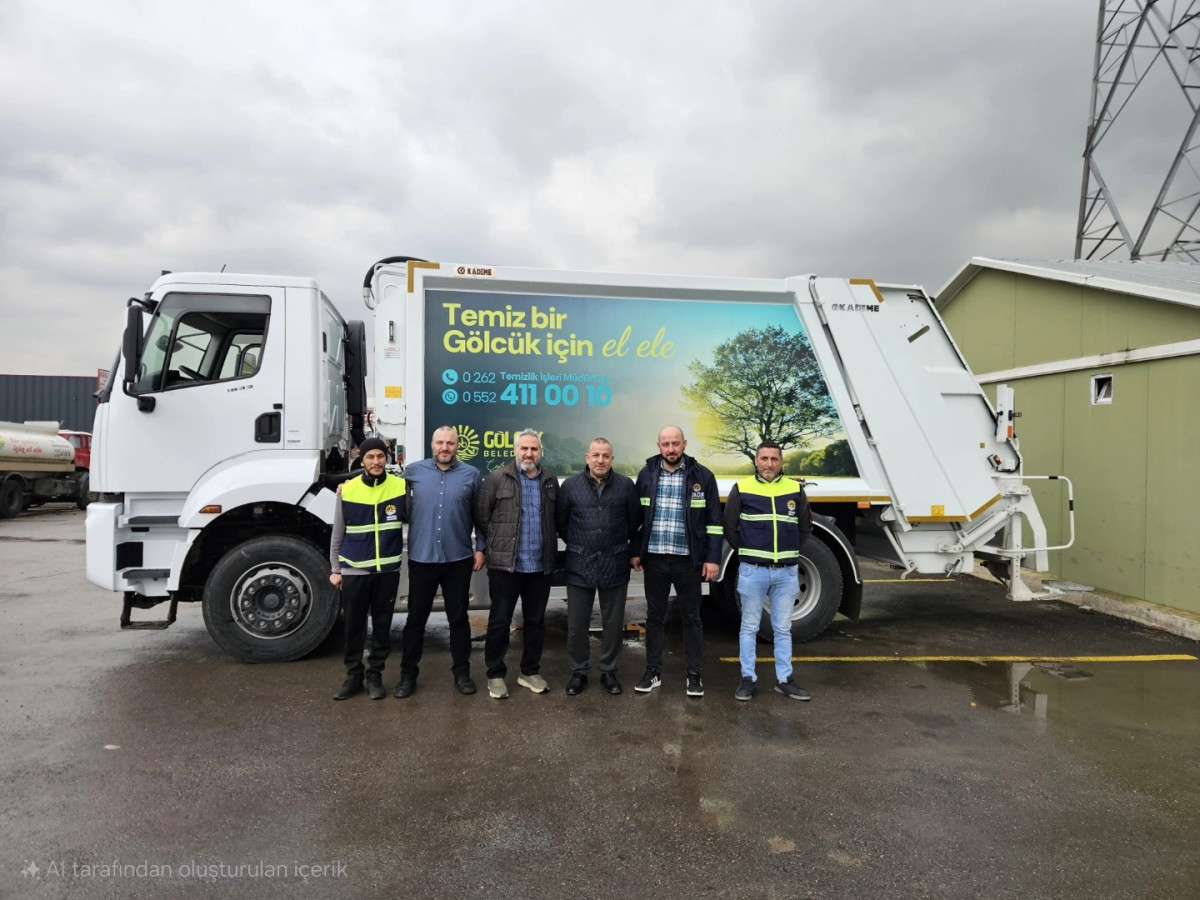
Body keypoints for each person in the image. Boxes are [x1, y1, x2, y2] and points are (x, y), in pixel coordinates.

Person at [395, 426, 486, 698]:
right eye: (440, 442)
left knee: (458, 619)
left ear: (458, 446)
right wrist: (347, 486)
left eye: (450, 443)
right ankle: (407, 676)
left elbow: (479, 516)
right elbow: (383, 491)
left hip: (457, 559)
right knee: (415, 620)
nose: (444, 447)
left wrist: (481, 548)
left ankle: (462, 673)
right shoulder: (412, 473)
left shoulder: (471, 475)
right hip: (421, 558)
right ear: (431, 444)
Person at [631, 426, 721, 698]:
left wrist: (712, 559)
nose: (671, 449)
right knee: (654, 618)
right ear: (658, 445)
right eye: (666, 444)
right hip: (656, 560)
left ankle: (694, 676)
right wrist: (636, 552)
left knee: (692, 618)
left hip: (688, 561)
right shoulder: (647, 474)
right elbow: (637, 519)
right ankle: (653, 672)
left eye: (676, 443)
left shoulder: (703, 476)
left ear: (684, 444)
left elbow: (714, 523)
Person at [723, 440, 812, 702]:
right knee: (749, 627)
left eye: (774, 459)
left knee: (783, 629)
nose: (769, 464)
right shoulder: (742, 488)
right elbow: (730, 527)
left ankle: (785, 680)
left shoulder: (795, 489)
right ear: (756, 461)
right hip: (753, 571)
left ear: (781, 462)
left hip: (786, 572)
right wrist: (748, 552)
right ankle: (748, 679)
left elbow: (805, 527)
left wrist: (790, 550)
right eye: (764, 459)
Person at [476, 429, 558, 699]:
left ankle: (529, 671)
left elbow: (556, 518)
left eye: (534, 449)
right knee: (499, 622)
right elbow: (482, 517)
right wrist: (495, 545)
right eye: (524, 448)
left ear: (541, 452)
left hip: (539, 567)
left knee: (535, 622)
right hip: (505, 566)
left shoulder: (549, 480)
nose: (529, 454)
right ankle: (495, 674)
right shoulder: (498, 478)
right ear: (515, 450)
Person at [556, 437, 641, 696]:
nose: (600, 460)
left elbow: (635, 522)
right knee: (577, 624)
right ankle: (578, 672)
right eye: (596, 455)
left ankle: (609, 671)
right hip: (579, 564)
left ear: (612, 459)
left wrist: (626, 550)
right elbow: (561, 523)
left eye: (605, 456)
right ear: (587, 457)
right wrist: (581, 544)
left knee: (613, 624)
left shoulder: (626, 486)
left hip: (614, 563)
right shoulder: (570, 486)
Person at [329, 437, 407, 701]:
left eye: (380, 457)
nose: (376, 462)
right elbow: (337, 533)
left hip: (387, 570)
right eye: (370, 457)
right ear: (361, 460)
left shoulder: (400, 486)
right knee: (353, 627)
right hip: (354, 571)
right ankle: (353, 676)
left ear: (387, 459)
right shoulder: (347, 490)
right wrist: (335, 568)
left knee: (382, 627)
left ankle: (375, 676)